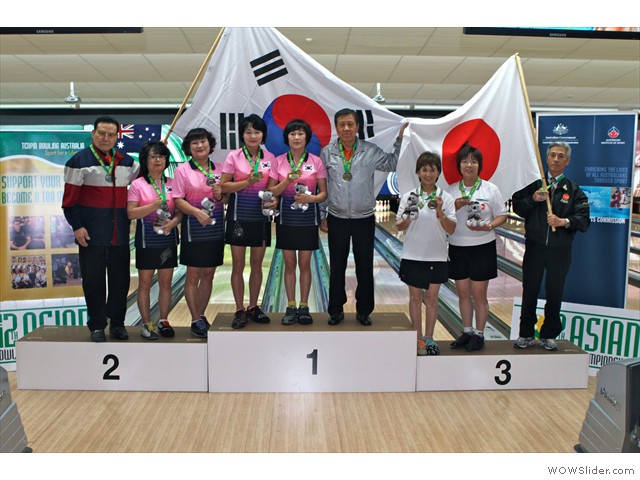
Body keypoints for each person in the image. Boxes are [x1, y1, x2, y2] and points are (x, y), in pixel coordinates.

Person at [320, 108, 407, 326]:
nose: (346, 128)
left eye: (350, 124)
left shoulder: (370, 150)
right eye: (342, 124)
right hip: (337, 216)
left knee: (364, 266)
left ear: (358, 127)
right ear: (336, 127)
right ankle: (335, 310)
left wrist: (399, 140)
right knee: (337, 266)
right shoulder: (327, 152)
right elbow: (323, 185)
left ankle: (364, 310)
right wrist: (323, 215)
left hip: (364, 218)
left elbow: (391, 163)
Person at [62, 116, 140, 342]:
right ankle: (97, 325)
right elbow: (69, 202)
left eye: (111, 134)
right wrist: (77, 227)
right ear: (93, 134)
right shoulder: (78, 161)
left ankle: (117, 324)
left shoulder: (127, 162)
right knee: (94, 281)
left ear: (117, 136)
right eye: (101, 133)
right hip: (92, 235)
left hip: (120, 235)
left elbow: (144, 188)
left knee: (120, 281)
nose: (105, 138)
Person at [512, 141, 590, 351]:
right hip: (535, 247)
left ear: (567, 161)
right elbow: (518, 207)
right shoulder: (534, 184)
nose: (556, 159)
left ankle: (548, 334)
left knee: (555, 292)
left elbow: (583, 221)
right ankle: (526, 333)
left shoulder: (574, 191)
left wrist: (563, 222)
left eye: (561, 156)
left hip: (560, 251)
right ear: (546, 158)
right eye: (552, 155)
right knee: (530, 290)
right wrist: (533, 199)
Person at [446, 143, 508, 351]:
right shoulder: (451, 190)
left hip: (483, 247)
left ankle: (479, 334)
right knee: (463, 293)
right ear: (459, 165)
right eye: (465, 161)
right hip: (457, 247)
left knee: (479, 295)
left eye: (473, 161)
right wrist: (453, 206)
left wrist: (489, 226)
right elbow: (444, 219)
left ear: (479, 165)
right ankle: (467, 331)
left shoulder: (491, 189)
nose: (469, 165)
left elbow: (502, 215)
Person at [265, 119, 327, 325]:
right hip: (286, 220)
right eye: (292, 134)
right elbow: (271, 191)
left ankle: (304, 306)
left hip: (308, 220)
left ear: (306, 137)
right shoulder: (278, 161)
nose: (297, 137)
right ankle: (290, 305)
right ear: (287, 138)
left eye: (300, 133)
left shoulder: (316, 161)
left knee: (305, 264)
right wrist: (287, 181)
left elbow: (323, 193)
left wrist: (311, 198)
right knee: (290, 265)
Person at [396, 152, 456, 355]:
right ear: (418, 172)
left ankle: (429, 338)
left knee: (431, 299)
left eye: (432, 170)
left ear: (438, 173)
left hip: (437, 256)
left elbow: (451, 229)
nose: (428, 174)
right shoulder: (409, 197)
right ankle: (417, 338)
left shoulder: (445, 198)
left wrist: (441, 212)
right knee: (414, 299)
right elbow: (400, 226)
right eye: (424, 170)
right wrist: (407, 217)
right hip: (413, 255)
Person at [220, 114, 275, 329]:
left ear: (263, 135)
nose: (253, 136)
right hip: (238, 216)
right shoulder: (234, 157)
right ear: (242, 135)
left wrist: (271, 200)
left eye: (257, 132)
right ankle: (239, 309)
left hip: (260, 217)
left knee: (257, 265)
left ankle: (253, 306)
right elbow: (224, 186)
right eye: (248, 132)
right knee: (238, 266)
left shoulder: (270, 157)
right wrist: (246, 182)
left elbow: (271, 188)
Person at [173, 128, 226, 338]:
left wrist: (221, 195)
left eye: (202, 141)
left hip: (215, 227)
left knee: (209, 274)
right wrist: (197, 213)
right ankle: (195, 319)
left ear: (209, 144)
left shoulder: (220, 169)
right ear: (189, 148)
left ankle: (202, 315)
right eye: (194, 143)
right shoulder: (183, 170)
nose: (199, 145)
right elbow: (178, 199)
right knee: (193, 274)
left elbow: (226, 200)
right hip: (193, 228)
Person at [127, 141, 182, 340]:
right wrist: (153, 206)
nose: (157, 159)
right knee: (145, 284)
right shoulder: (138, 185)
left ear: (166, 160)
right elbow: (131, 213)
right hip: (146, 241)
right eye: (152, 156)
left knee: (166, 283)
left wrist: (173, 223)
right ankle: (146, 323)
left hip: (168, 240)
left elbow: (180, 213)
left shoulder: (173, 183)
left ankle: (163, 320)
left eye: (161, 156)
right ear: (145, 160)